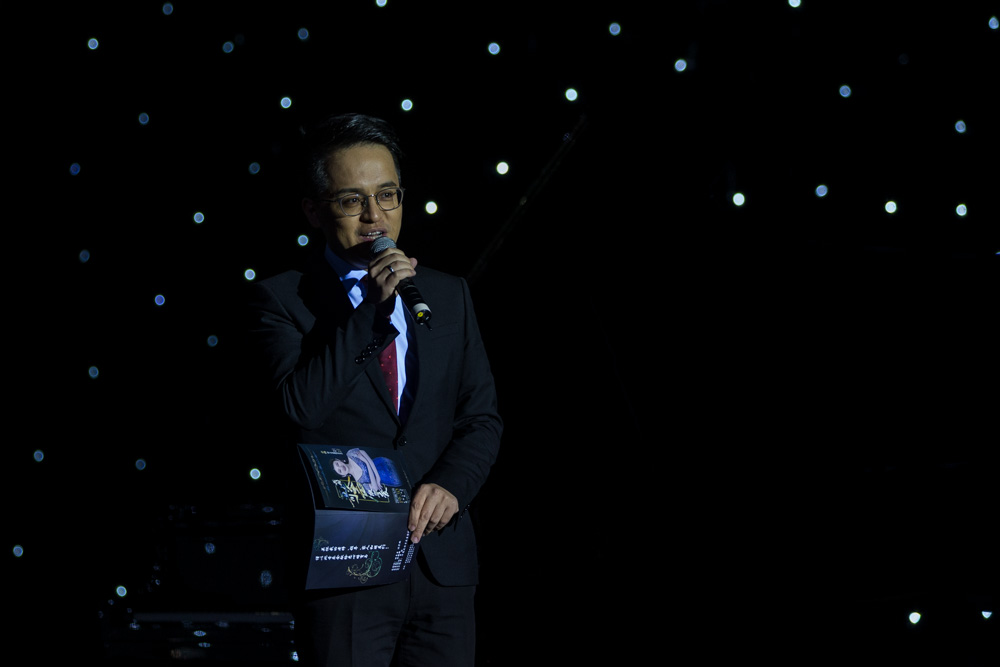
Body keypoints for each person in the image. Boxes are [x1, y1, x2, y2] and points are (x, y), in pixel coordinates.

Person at [247, 113, 502, 667]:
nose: (375, 216)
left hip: (441, 567)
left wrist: (452, 485)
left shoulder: (447, 295)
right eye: (351, 201)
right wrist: (369, 312)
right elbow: (300, 407)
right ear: (313, 210)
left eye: (388, 195)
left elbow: (481, 418)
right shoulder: (282, 299)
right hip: (347, 569)